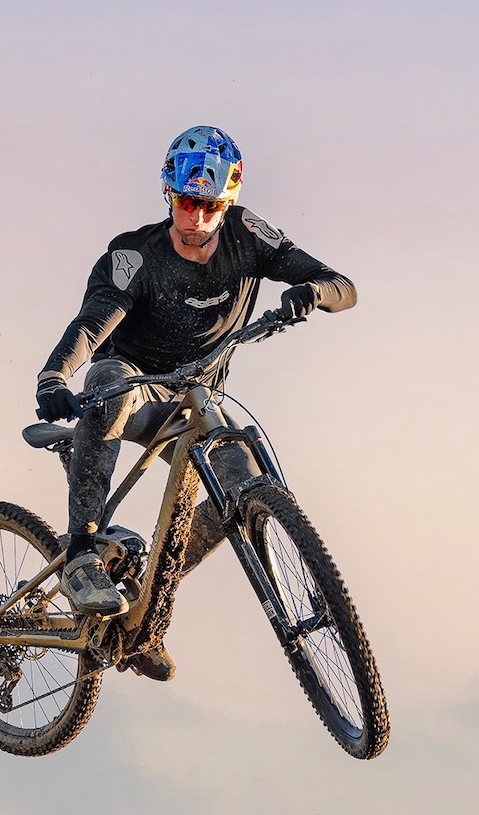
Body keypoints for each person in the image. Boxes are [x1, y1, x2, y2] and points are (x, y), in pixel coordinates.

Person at [31, 125, 356, 681]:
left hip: (199, 399)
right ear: (168, 194)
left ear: (225, 203)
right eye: (185, 202)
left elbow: (340, 284)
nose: (196, 219)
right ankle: (82, 553)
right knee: (110, 372)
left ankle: (145, 612)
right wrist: (54, 376)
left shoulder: (249, 237)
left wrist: (314, 293)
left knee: (245, 495)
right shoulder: (135, 255)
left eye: (208, 206)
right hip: (134, 390)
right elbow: (92, 322)